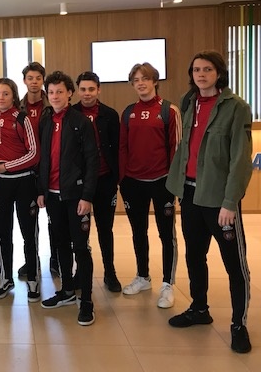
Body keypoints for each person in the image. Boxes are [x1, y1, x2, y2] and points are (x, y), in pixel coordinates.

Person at [166, 51, 253, 354]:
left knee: (234, 265)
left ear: (219, 73)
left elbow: (240, 159)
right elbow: (185, 149)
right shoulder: (188, 102)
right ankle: (199, 309)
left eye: (207, 69)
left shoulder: (236, 107)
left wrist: (230, 202)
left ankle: (239, 324)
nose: (201, 75)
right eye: (196, 70)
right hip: (190, 194)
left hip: (219, 200)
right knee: (194, 256)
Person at [38, 71, 99, 325]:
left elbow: (92, 160)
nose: (55, 96)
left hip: (76, 197)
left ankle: (86, 301)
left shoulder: (80, 122)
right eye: (51, 92)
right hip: (53, 196)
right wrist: (41, 190)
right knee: (61, 244)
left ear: (69, 93)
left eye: (60, 92)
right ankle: (66, 291)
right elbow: (43, 158)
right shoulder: (45, 121)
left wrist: (87, 196)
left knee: (80, 248)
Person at [119, 62, 180, 308]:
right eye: (136, 80)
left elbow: (176, 149)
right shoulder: (128, 112)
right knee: (138, 231)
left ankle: (167, 283)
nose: (140, 83)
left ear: (155, 81)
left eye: (145, 78)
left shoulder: (169, 111)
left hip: (162, 182)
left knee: (166, 234)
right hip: (133, 183)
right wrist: (123, 179)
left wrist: (174, 183)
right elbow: (123, 147)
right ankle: (143, 276)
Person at [0, 78, 39, 301]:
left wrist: (8, 166)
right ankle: (6, 278)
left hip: (24, 182)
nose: (1, 97)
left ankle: (33, 280)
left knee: (29, 233)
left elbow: (34, 154)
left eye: (6, 93)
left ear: (14, 96)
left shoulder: (22, 118)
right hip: (1, 184)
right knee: (3, 233)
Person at [73, 71, 122, 292]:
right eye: (83, 89)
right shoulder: (71, 114)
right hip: (80, 183)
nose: (87, 93)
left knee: (105, 229)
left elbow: (118, 148)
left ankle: (110, 272)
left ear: (98, 90)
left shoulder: (110, 115)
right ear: (77, 91)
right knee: (80, 232)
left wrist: (117, 177)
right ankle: (80, 272)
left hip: (105, 180)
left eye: (91, 89)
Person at [18, 62, 58, 279]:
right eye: (30, 78)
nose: (34, 82)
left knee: (54, 219)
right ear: (24, 81)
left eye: (38, 78)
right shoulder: (18, 107)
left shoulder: (52, 105)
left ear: (43, 80)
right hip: (27, 170)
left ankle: (56, 260)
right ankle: (31, 261)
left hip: (50, 169)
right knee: (29, 222)